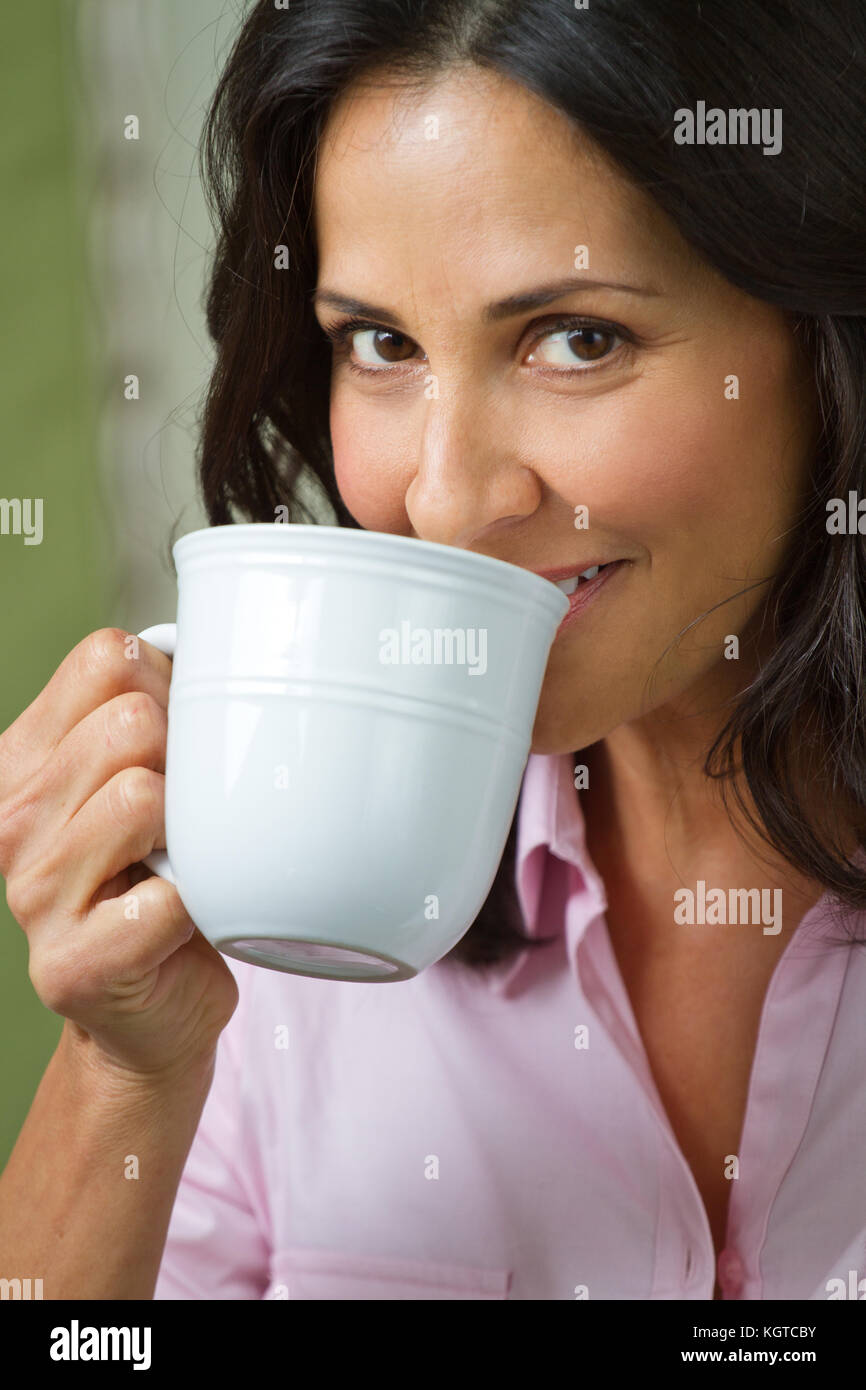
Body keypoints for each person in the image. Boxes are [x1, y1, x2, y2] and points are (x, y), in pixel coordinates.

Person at [1, 0, 864, 1301]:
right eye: (381, 344)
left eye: (578, 338)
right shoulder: (277, 909)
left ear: (823, 341)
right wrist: (128, 1070)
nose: (445, 501)